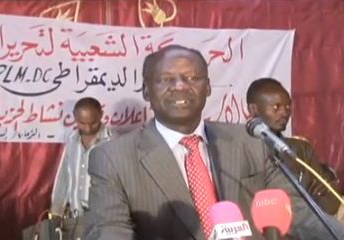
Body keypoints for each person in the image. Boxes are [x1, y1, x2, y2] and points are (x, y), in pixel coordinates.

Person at [84, 45, 344, 240]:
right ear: (146, 90)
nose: (180, 86)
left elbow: (298, 211)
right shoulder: (113, 158)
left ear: (208, 88)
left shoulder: (250, 142)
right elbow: (110, 230)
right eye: (165, 79)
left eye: (192, 78)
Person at [246, 77, 341, 215]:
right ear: (253, 109)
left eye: (288, 106)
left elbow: (331, 207)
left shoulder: (301, 149)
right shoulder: (241, 151)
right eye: (276, 107)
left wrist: (326, 190)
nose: (285, 113)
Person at [50, 97, 112, 239]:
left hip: (105, 220)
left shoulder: (114, 141)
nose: (88, 128)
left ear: (101, 115)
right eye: (82, 123)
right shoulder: (72, 140)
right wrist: (56, 212)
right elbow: (64, 177)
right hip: (76, 220)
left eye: (93, 122)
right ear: (74, 117)